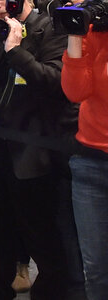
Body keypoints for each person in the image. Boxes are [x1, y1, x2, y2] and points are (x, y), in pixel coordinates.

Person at [0, 0, 85, 300]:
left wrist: (16, 49)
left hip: (39, 148)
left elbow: (57, 84)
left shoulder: (51, 28)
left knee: (44, 234)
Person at [62, 27, 108, 299]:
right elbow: (75, 91)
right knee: (96, 268)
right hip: (89, 164)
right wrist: (75, 36)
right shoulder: (94, 30)